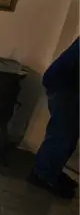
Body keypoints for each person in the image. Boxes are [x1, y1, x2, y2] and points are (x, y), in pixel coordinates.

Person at [28, 36, 79, 199]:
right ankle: (43, 175)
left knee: (68, 134)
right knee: (63, 134)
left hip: (67, 85)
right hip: (65, 87)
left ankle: (52, 171)